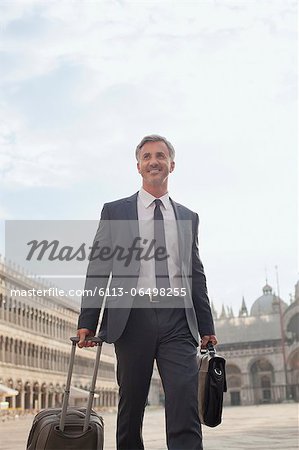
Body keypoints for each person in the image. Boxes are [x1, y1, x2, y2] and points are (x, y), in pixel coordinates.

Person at [77, 134, 217, 450]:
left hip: (178, 320)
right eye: (147, 156)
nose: (154, 161)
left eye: (160, 155)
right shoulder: (115, 211)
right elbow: (99, 268)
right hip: (131, 319)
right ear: (138, 166)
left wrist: (206, 327)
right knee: (132, 405)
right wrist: (89, 318)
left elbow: (196, 274)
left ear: (171, 164)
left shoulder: (187, 217)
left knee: (184, 401)